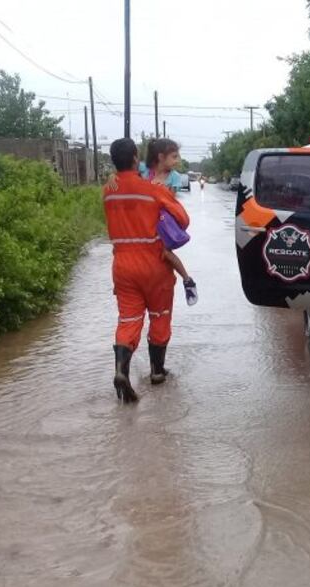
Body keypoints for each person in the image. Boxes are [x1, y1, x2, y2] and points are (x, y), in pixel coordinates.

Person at [103, 138, 190, 402]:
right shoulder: (152, 189)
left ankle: (121, 370)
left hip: (122, 264)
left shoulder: (108, 190)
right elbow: (183, 220)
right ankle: (157, 373)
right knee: (160, 316)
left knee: (128, 320)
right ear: (134, 159)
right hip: (153, 262)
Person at [141, 139, 198, 306]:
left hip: (163, 220)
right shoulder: (144, 171)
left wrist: (156, 191)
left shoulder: (174, 177)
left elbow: (169, 201)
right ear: (160, 157)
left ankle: (187, 280)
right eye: (174, 156)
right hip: (144, 219)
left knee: (165, 252)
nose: (178, 160)